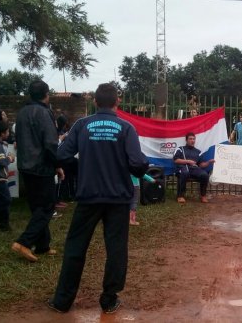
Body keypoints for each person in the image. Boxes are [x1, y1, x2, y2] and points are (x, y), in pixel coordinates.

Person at [48, 83, 149, 314]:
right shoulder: (126, 127)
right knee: (116, 249)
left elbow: (61, 155)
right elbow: (137, 163)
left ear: (95, 102)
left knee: (75, 247)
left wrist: (80, 167)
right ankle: (109, 299)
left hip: (88, 197)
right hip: (118, 200)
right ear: (117, 102)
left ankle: (62, 301)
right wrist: (141, 167)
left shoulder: (82, 125)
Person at [12, 80, 63, 262]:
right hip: (41, 167)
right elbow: (50, 143)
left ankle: (43, 246)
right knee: (47, 207)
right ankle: (24, 242)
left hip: (25, 166)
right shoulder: (44, 112)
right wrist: (57, 164)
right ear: (46, 95)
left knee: (37, 208)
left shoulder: (22, 112)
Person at [173, 132, 215, 203]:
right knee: (185, 172)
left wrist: (208, 162)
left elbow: (201, 165)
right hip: (182, 168)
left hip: (194, 169)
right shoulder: (180, 149)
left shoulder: (198, 152)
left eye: (193, 139)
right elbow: (176, 160)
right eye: (190, 139)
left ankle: (203, 195)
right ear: (186, 140)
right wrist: (188, 161)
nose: (192, 140)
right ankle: (180, 196)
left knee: (204, 175)